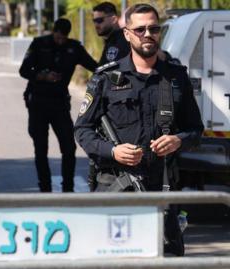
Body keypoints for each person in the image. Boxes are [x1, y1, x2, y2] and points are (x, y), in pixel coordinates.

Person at [74, 4, 203, 255]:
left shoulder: (175, 77)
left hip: (162, 187)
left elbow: (195, 130)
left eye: (153, 29)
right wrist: (112, 151)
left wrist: (178, 140)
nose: (147, 34)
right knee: (112, 257)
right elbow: (83, 130)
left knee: (168, 256)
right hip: (116, 187)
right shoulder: (106, 78)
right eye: (140, 29)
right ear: (127, 34)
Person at [19, 18, 98, 192]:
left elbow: (94, 66)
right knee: (41, 149)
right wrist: (42, 76)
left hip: (59, 103)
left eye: (64, 38)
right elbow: (24, 70)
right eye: (58, 37)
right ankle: (45, 188)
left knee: (69, 147)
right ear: (53, 32)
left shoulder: (73, 47)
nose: (60, 41)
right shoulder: (39, 44)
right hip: (38, 102)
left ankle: (67, 187)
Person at [87, 2, 131, 191]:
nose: (96, 25)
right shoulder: (112, 41)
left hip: (118, 116)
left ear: (113, 18)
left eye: (99, 20)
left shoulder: (120, 42)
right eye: (94, 21)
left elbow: (116, 78)